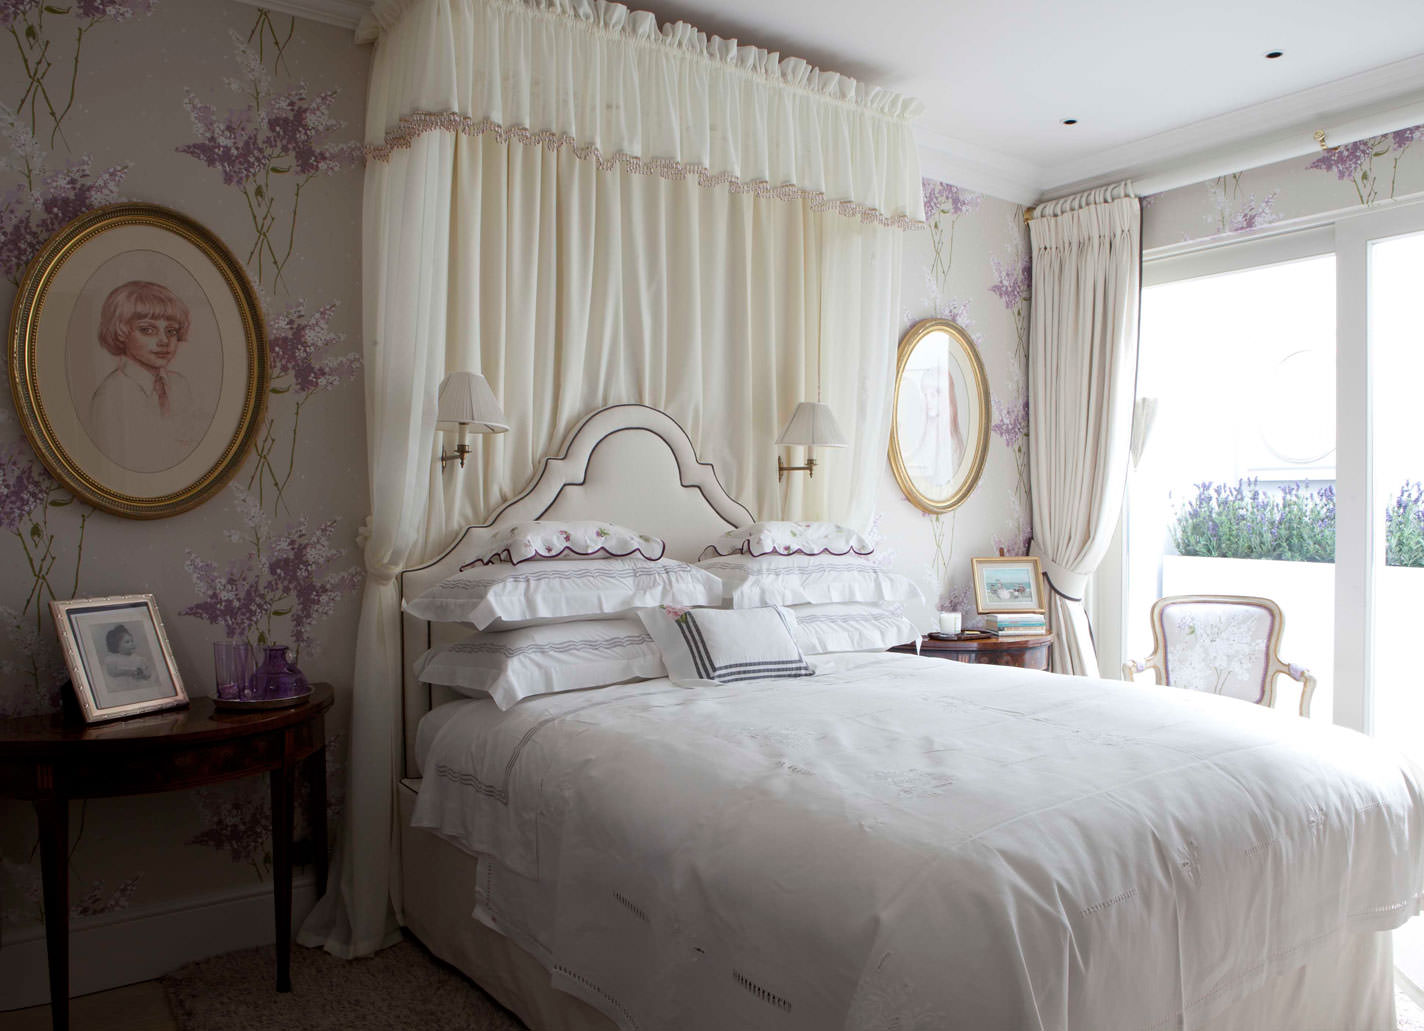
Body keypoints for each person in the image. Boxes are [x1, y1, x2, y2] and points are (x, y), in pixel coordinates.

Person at [88, 280, 205, 473]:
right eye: (147, 330)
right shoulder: (111, 396)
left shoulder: (179, 385)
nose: (163, 341)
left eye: (171, 331)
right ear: (121, 332)